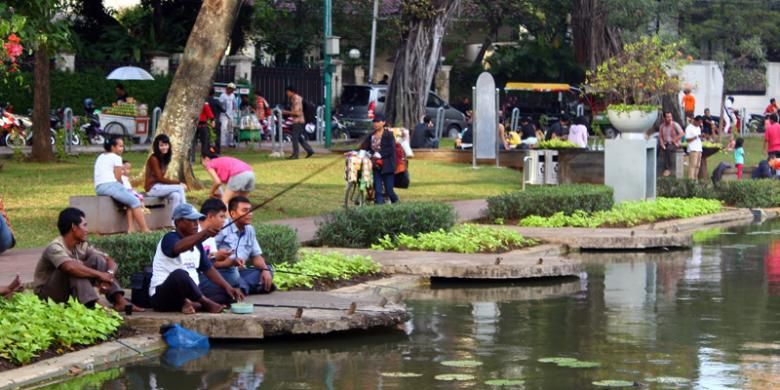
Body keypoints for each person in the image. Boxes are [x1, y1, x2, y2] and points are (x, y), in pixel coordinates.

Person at [33, 207, 143, 311]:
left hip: (67, 291)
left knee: (96, 258)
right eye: (84, 225)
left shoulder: (81, 245)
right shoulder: (55, 247)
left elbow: (109, 260)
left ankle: (119, 301)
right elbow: (69, 267)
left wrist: (108, 275)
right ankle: (94, 305)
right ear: (74, 227)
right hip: (47, 295)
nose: (87, 229)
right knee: (73, 269)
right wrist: (100, 275)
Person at [149, 203, 244, 314]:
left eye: (197, 220)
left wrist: (228, 287)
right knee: (180, 274)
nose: (196, 224)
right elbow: (178, 247)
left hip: (193, 293)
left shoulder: (196, 243)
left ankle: (191, 304)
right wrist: (204, 233)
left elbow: (208, 269)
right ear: (179, 222)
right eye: (191, 220)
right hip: (164, 295)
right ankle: (204, 303)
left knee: (228, 296)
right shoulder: (169, 238)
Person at [200, 196, 275, 303]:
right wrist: (229, 262)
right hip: (221, 271)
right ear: (233, 213)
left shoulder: (250, 230)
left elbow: (256, 256)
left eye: (251, 210)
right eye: (245, 210)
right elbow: (209, 261)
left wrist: (265, 270)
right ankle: (243, 288)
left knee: (268, 269)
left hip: (240, 271)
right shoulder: (220, 227)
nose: (250, 214)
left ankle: (241, 287)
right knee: (232, 277)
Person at [94, 136, 150, 233]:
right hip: (110, 185)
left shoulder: (101, 156)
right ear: (112, 147)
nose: (122, 149)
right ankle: (145, 229)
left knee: (129, 200)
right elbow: (118, 177)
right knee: (135, 201)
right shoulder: (116, 157)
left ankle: (131, 229)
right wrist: (123, 188)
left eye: (122, 146)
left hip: (99, 187)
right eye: (120, 146)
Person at [144, 134, 187, 215]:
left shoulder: (164, 158)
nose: (164, 147)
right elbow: (160, 178)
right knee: (180, 188)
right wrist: (178, 183)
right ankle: (185, 212)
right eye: (161, 145)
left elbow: (161, 180)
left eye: (166, 145)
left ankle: (174, 222)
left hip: (160, 186)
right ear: (157, 146)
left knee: (176, 196)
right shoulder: (154, 158)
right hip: (152, 188)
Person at [361, 113, 398, 204]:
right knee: (378, 191)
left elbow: (391, 149)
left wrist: (379, 154)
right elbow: (364, 147)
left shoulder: (389, 135)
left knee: (389, 191)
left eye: (378, 121)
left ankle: (397, 205)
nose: (375, 123)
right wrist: (354, 152)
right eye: (374, 121)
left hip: (387, 166)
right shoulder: (371, 135)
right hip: (376, 166)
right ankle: (379, 210)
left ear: (383, 123)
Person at [282, 86, 314, 159]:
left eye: (288, 92)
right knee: (299, 137)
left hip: (298, 121)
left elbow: (297, 113)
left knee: (295, 138)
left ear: (292, 92)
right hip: (299, 120)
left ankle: (295, 154)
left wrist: (285, 112)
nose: (287, 94)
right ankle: (309, 150)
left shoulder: (296, 99)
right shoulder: (295, 98)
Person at [121, 160, 146, 230]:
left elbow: (130, 189)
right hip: (125, 194)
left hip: (129, 194)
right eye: (123, 169)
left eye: (128, 169)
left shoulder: (126, 179)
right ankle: (131, 227)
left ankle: (131, 227)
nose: (126, 171)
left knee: (132, 206)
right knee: (131, 204)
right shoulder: (121, 178)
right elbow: (126, 189)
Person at [658, 111, 684, 177]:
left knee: (668, 149)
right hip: (665, 143)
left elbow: (682, 133)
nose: (670, 118)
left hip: (674, 143)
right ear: (664, 118)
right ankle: (657, 168)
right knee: (658, 148)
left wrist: (674, 140)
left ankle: (668, 169)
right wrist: (661, 144)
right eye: (668, 117)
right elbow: (660, 136)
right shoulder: (662, 126)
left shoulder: (675, 124)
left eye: (670, 116)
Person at [219, 83, 238, 148]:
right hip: (223, 114)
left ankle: (231, 143)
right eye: (231, 89)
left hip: (231, 114)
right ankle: (222, 143)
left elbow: (235, 105)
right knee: (223, 129)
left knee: (231, 129)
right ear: (228, 88)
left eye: (233, 90)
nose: (232, 91)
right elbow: (220, 104)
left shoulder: (233, 95)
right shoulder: (222, 95)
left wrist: (235, 112)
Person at [685, 115, 704, 180]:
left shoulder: (698, 128)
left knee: (698, 166)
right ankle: (690, 180)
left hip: (699, 148)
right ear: (695, 121)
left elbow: (698, 137)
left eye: (701, 122)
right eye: (699, 122)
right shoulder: (689, 128)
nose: (700, 124)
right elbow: (687, 140)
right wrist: (696, 137)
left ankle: (695, 180)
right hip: (693, 149)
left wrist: (701, 137)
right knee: (692, 165)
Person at [208, 88, 225, 154]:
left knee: (208, 137)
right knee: (217, 137)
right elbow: (223, 110)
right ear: (214, 93)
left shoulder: (205, 101)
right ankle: (217, 151)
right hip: (216, 120)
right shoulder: (216, 101)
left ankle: (208, 150)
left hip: (207, 121)